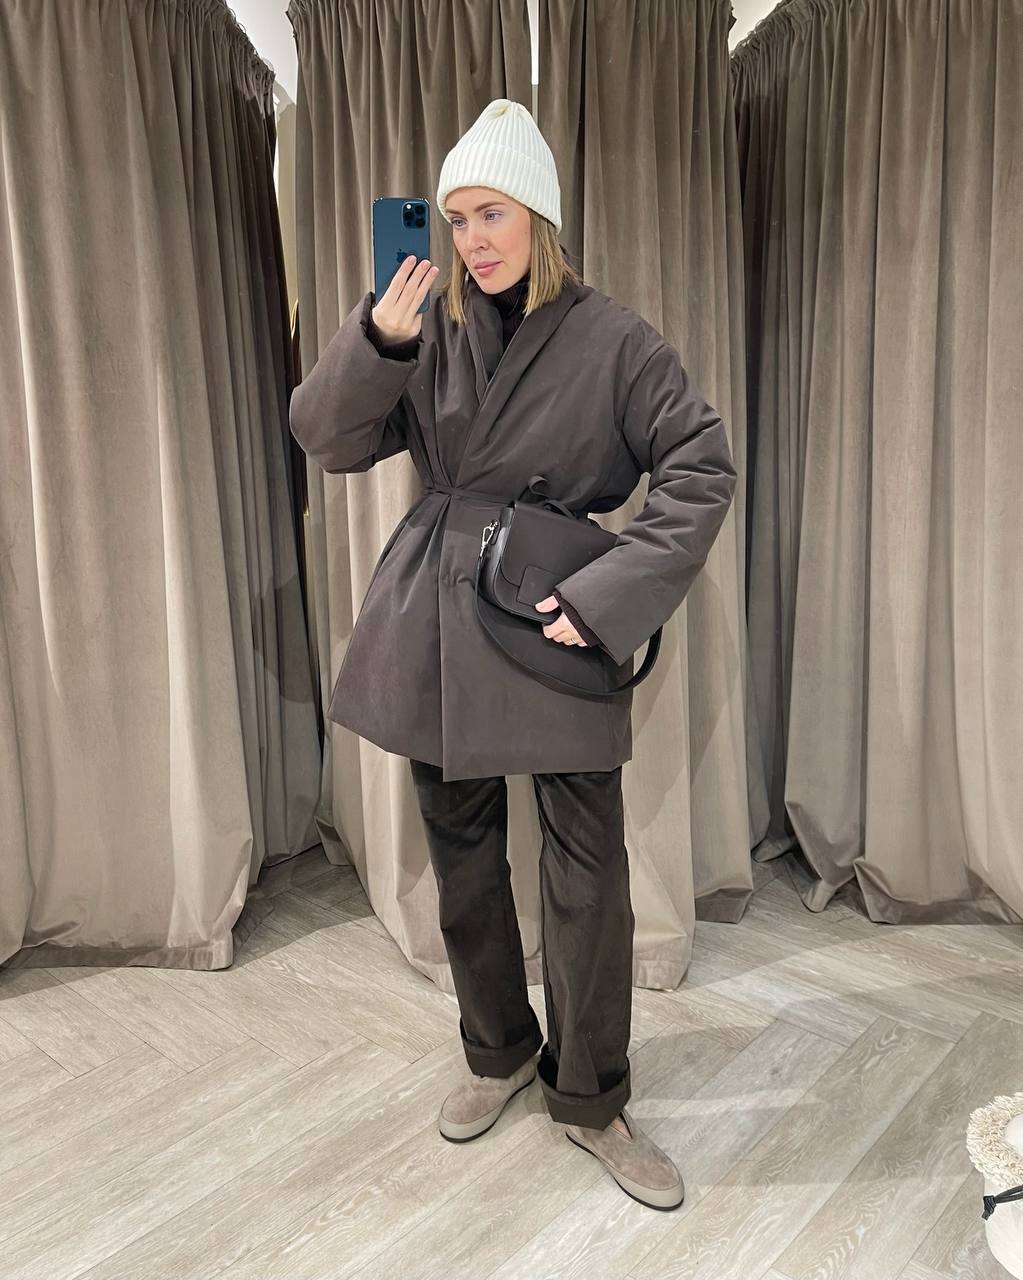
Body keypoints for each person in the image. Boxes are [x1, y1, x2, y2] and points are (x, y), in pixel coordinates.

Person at [290, 98, 736, 1212]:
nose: (472, 239)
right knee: (463, 857)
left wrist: (604, 599)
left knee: (586, 871)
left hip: (551, 618)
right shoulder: (424, 328)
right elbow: (325, 438)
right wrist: (380, 340)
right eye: (455, 219)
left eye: (491, 213)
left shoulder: (617, 340)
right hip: (439, 617)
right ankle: (496, 1051)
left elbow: (700, 465)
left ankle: (592, 1095)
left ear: (538, 214)